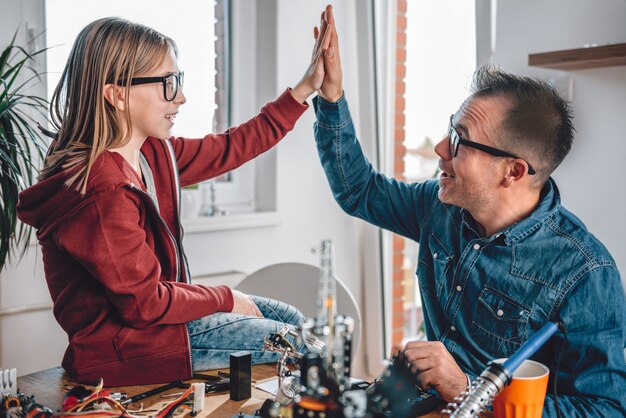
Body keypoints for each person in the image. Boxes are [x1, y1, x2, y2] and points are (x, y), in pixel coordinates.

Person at [312, 5, 625, 416]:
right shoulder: (438, 207)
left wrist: (468, 388)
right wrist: (331, 96)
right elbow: (359, 191)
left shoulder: (584, 274)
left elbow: (603, 409)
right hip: (410, 398)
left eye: (459, 140)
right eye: (449, 129)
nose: (441, 150)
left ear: (512, 171)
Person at [16, 15, 333, 386]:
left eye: (178, 81)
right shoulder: (100, 189)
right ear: (117, 94)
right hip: (132, 345)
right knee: (307, 345)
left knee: (296, 321)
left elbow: (231, 147)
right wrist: (223, 297)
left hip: (165, 323)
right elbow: (144, 303)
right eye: (168, 83)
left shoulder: (149, 152)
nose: (180, 96)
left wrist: (306, 87)